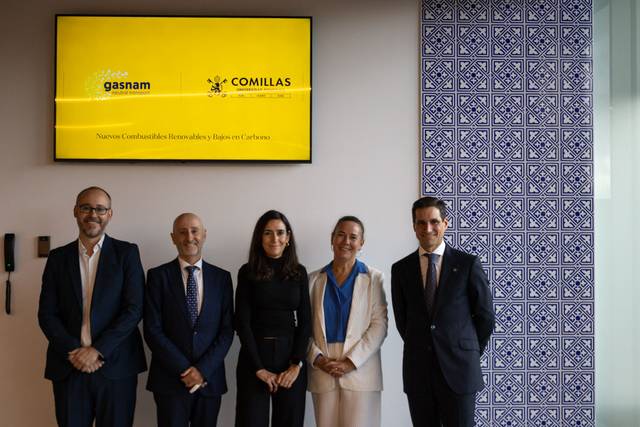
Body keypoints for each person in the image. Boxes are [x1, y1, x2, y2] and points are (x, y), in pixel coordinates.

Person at [38, 186, 147, 427]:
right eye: (86, 207)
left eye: (100, 209)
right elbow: (47, 314)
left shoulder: (127, 253)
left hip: (116, 366)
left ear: (110, 214)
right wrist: (75, 351)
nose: (93, 214)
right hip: (69, 366)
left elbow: (134, 308)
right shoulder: (58, 258)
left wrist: (97, 349)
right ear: (75, 211)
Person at [391, 196, 495, 427]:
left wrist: (465, 349)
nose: (428, 228)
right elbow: (402, 321)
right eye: (421, 223)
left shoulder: (468, 264)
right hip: (419, 372)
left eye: (434, 221)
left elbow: (486, 317)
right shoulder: (400, 269)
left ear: (445, 223)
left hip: (460, 370)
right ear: (414, 227)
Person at [144, 213, 234, 427]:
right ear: (173, 237)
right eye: (182, 232)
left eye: (194, 231)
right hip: (169, 379)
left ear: (204, 235)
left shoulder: (222, 278)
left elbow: (227, 330)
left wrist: (202, 370)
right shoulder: (157, 276)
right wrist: (185, 369)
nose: (189, 237)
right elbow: (152, 329)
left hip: (209, 380)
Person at [307, 216, 388, 427]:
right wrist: (318, 359)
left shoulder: (374, 278)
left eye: (353, 237)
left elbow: (379, 326)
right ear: (332, 239)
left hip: (361, 370)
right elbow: (302, 327)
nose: (346, 241)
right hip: (322, 370)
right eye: (340, 235)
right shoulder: (313, 280)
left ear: (361, 243)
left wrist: (350, 362)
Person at [234, 210, 311, 427]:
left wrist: (296, 364)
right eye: (268, 233)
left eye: (280, 233)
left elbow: (306, 322)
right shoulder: (247, 272)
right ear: (260, 238)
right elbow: (242, 322)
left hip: (290, 359)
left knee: (290, 421)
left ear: (288, 238)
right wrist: (259, 368)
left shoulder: (299, 272)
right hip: (254, 357)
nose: (274, 239)